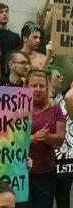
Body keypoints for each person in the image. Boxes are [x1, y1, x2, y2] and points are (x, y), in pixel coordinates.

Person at [25, 70, 65, 208]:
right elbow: (5, 139)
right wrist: (32, 139)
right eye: (34, 85)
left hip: (45, 173)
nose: (37, 89)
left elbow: (60, 139)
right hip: (19, 173)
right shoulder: (15, 108)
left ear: (47, 87)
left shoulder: (55, 109)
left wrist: (47, 138)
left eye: (41, 86)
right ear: (26, 86)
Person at [47, 66, 73, 208]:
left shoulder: (65, 100)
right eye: (58, 76)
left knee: (63, 200)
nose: (62, 78)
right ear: (47, 79)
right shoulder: (36, 101)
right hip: (44, 161)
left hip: (65, 160)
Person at [0, 3, 21, 82]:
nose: (5, 14)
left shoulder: (15, 36)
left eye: (6, 12)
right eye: (1, 12)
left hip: (10, 74)